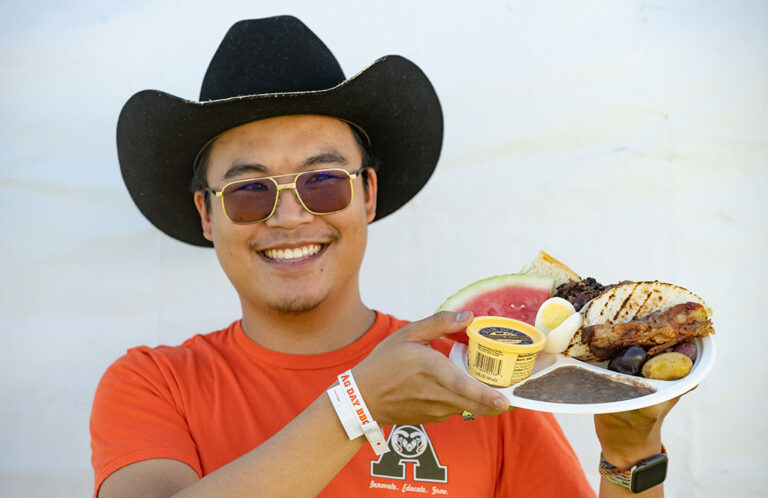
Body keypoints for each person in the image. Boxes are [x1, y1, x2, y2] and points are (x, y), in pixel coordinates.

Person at [91, 16, 682, 497]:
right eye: (250, 191)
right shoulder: (152, 384)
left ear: (367, 195)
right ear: (206, 213)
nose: (290, 216)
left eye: (322, 182)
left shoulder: (483, 372)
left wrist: (632, 458)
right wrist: (356, 408)